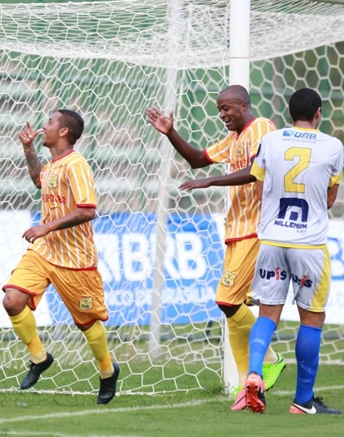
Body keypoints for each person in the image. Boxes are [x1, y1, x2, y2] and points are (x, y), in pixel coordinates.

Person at [146, 85, 286, 411]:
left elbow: (256, 171)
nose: (222, 114)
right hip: (236, 231)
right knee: (232, 308)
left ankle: (270, 359)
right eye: (219, 109)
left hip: (257, 228)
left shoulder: (261, 128)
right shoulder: (233, 139)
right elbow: (198, 160)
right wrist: (170, 133)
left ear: (244, 105)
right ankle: (247, 384)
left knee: (226, 301)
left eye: (227, 108)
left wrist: (211, 181)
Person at [3, 109, 120, 405]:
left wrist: (46, 226)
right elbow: (38, 180)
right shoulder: (54, 165)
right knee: (12, 300)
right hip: (45, 251)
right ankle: (39, 358)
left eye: (50, 122)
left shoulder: (76, 165)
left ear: (64, 131)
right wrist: (28, 148)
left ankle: (107, 371)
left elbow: (88, 210)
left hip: (76, 258)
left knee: (88, 323)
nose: (44, 126)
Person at [244, 88, 344, 415]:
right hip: (309, 245)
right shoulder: (333, 146)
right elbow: (329, 200)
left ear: (289, 113)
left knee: (267, 315)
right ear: (318, 113)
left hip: (272, 241)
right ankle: (302, 401)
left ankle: (254, 373)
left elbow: (259, 190)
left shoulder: (271, 141)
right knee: (311, 320)